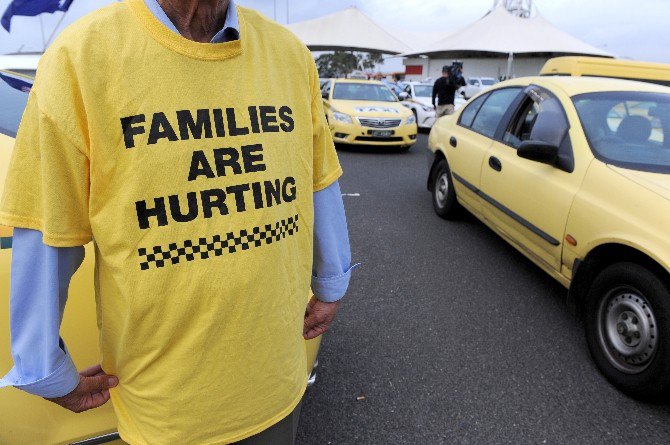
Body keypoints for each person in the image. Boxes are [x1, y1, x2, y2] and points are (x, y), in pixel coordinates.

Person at [0, 1, 356, 444]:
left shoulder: (288, 53)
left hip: (276, 384)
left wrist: (332, 282)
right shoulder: (83, 54)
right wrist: (41, 366)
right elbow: (46, 219)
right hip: (167, 408)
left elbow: (318, 176)